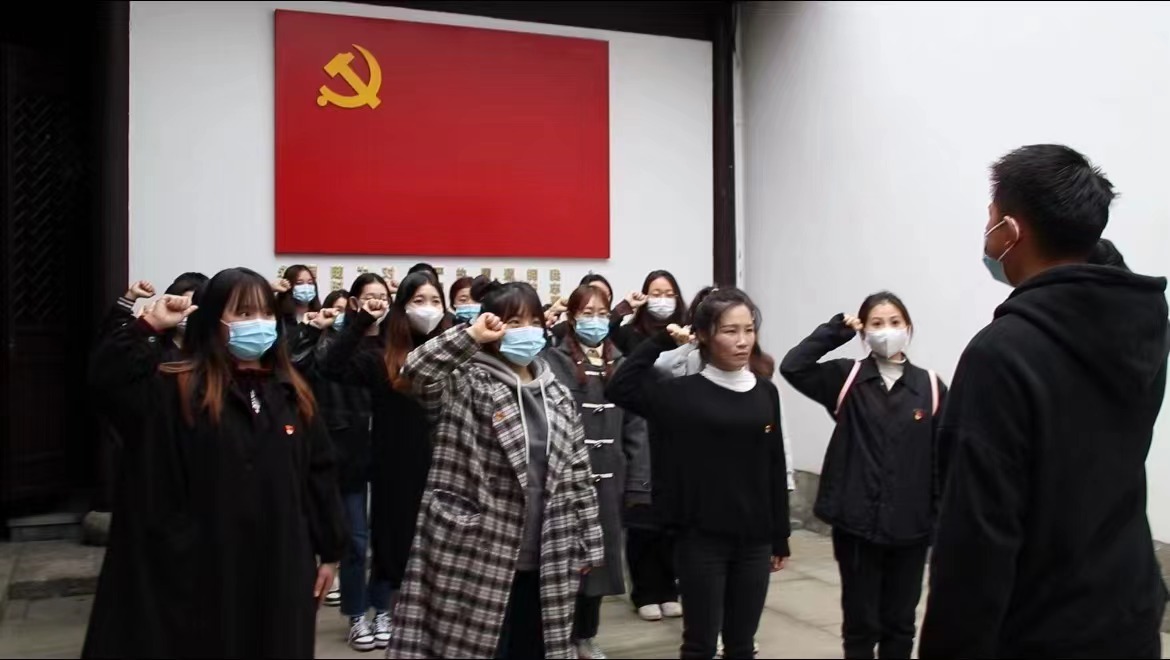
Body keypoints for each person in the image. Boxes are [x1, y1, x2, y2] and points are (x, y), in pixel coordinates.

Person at [920, 145, 1169, 659]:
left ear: (1011, 231)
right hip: (1128, 613)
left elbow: (975, 543)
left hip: (1041, 630)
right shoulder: (1141, 323)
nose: (987, 233)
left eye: (991, 218)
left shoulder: (1001, 355)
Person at [83, 267, 345, 659]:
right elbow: (108, 383)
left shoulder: (291, 392)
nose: (258, 323)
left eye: (266, 313)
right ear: (213, 320)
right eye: (243, 313)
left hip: (279, 564)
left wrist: (330, 551)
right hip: (202, 573)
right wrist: (147, 328)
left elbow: (318, 473)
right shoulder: (178, 386)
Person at [385, 280, 604, 659]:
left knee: (535, 646)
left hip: (548, 547)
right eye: (514, 322)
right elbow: (416, 370)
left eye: (534, 321)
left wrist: (589, 542)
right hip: (477, 548)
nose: (526, 330)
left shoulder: (557, 393)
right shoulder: (465, 382)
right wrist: (470, 335)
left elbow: (578, 473)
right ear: (493, 325)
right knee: (475, 647)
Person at [606, 286, 790, 660]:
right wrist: (660, 340)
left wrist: (780, 536)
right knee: (700, 643)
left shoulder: (765, 392)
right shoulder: (680, 394)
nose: (742, 341)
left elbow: (773, 463)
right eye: (730, 331)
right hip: (701, 539)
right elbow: (620, 388)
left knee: (742, 642)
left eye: (748, 330)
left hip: (753, 540)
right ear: (703, 335)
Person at [780, 292, 946, 659]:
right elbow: (794, 366)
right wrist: (835, 330)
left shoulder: (931, 387)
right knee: (860, 623)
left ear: (908, 328)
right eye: (877, 323)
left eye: (895, 322)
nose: (887, 331)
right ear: (864, 332)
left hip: (911, 526)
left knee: (900, 622)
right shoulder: (847, 377)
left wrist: (937, 518)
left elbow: (943, 458)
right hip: (857, 524)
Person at [319, 271, 451, 648]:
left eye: (435, 301)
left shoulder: (451, 350)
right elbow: (330, 367)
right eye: (418, 301)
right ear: (401, 307)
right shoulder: (384, 355)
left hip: (438, 465)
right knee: (375, 543)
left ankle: (391, 610)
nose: (427, 309)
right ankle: (364, 613)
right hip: (388, 465)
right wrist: (361, 321)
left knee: (421, 547)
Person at [545, 284, 651, 660]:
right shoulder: (551, 360)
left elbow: (637, 427)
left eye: (602, 314)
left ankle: (586, 636)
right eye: (587, 313)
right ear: (572, 318)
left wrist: (638, 484)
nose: (595, 321)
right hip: (564, 482)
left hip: (609, 481)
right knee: (563, 563)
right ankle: (557, 637)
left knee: (598, 564)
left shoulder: (621, 363)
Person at [290, 288, 388, 650]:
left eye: (383, 296)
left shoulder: (395, 340)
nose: (376, 304)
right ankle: (357, 614)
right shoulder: (335, 343)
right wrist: (333, 327)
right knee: (355, 542)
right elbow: (307, 367)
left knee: (385, 541)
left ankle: (383, 609)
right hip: (347, 453)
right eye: (367, 298)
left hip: (387, 455)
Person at [605, 269, 688, 621]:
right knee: (642, 521)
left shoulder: (687, 331)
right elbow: (604, 335)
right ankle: (644, 592)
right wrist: (624, 308)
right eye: (655, 292)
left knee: (671, 522)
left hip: (677, 431)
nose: (662, 299)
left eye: (668, 293)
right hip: (640, 426)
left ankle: (669, 588)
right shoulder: (630, 334)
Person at [274, 264, 322, 338]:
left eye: (310, 283)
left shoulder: (320, 314)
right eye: (299, 283)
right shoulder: (278, 314)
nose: (306, 288)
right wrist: (273, 288)